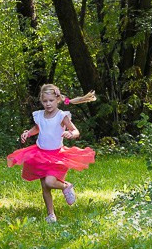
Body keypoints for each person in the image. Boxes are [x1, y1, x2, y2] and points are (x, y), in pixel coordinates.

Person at [7, 84, 96, 223]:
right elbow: (38, 128)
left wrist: (70, 134)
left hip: (56, 155)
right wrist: (28, 133)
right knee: (44, 186)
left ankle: (66, 186)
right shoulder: (39, 115)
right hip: (40, 154)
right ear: (41, 101)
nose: (48, 104)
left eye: (51, 101)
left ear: (58, 100)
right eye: (45, 101)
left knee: (50, 181)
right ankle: (51, 214)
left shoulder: (62, 116)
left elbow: (75, 131)